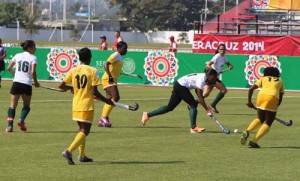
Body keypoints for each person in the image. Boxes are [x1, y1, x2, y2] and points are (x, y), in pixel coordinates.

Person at [59, 47, 114, 165]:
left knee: (81, 130)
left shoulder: (74, 70)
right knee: (85, 131)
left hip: (76, 104)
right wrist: (107, 101)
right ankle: (68, 151)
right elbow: (95, 92)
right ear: (89, 58)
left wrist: (71, 88)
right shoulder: (92, 71)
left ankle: (82, 155)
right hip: (86, 105)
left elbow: (61, 86)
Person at [141, 69, 218, 133]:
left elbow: (198, 92)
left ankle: (147, 115)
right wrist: (207, 110)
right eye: (214, 77)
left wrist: (193, 101)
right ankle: (193, 128)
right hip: (181, 86)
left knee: (170, 107)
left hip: (178, 84)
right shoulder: (202, 79)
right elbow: (200, 98)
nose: (215, 79)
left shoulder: (204, 78)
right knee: (193, 105)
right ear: (209, 76)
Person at [241, 67, 284, 148]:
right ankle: (254, 141)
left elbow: (250, 89)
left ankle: (247, 131)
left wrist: (249, 102)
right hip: (273, 97)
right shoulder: (280, 81)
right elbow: (281, 96)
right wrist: (276, 107)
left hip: (261, 96)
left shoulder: (263, 78)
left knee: (260, 119)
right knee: (268, 122)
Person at [5, 40, 39, 132]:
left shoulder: (17, 55)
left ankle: (9, 126)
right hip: (27, 84)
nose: (35, 49)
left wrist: (16, 76)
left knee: (12, 105)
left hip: (16, 83)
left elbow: (9, 68)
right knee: (26, 106)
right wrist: (36, 82)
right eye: (34, 47)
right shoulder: (33, 58)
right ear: (29, 48)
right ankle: (21, 120)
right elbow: (33, 71)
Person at [98, 41, 128, 127]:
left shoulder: (120, 57)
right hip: (108, 79)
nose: (126, 50)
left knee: (109, 99)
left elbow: (113, 67)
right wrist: (110, 76)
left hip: (111, 79)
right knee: (116, 97)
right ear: (119, 48)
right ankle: (104, 117)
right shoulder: (116, 55)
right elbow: (106, 64)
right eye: (125, 48)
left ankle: (103, 119)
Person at [204, 43, 233, 113]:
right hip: (212, 77)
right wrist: (213, 72)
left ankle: (192, 103)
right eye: (221, 49)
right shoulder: (217, 56)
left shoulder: (224, 57)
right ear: (218, 50)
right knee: (224, 90)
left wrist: (230, 66)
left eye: (224, 49)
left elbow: (228, 64)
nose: (222, 51)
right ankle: (212, 104)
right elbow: (208, 65)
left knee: (205, 94)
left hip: (213, 77)